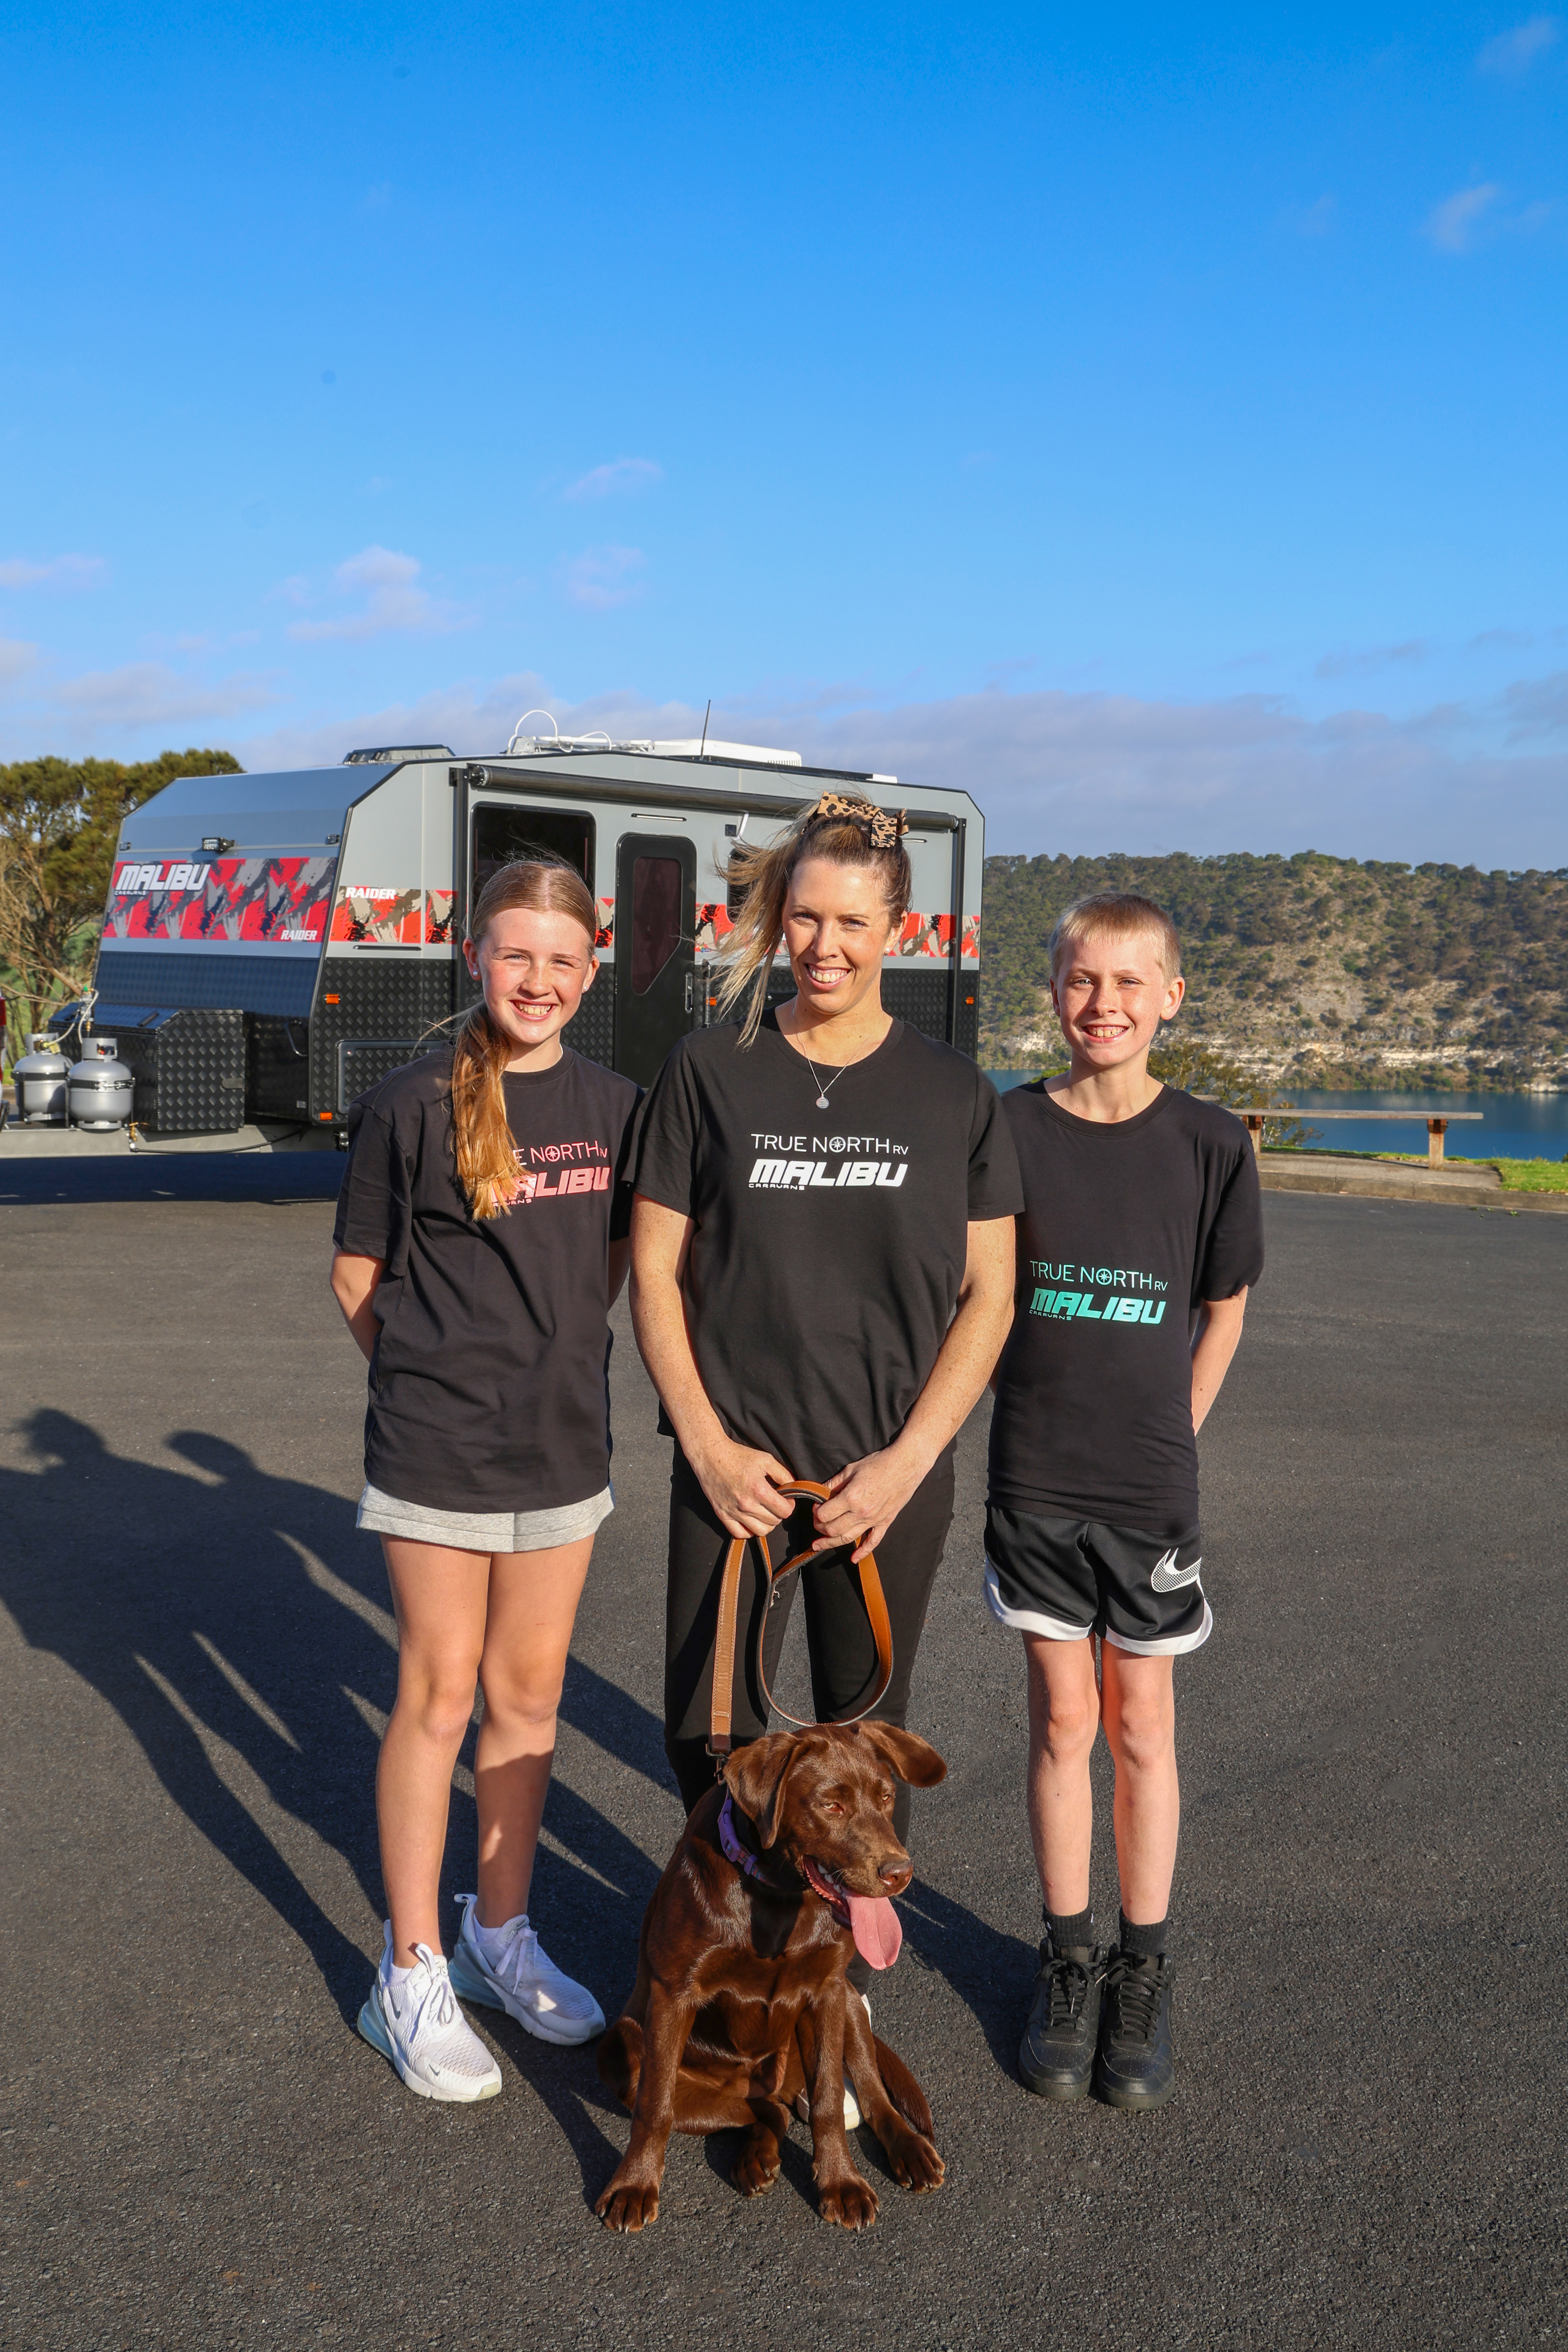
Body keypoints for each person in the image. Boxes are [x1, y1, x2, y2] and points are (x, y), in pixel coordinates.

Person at [630, 790, 1022, 2111]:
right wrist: (704, 1437)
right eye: (805, 915)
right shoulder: (711, 1064)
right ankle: (730, 1970)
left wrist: (909, 1461)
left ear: (896, 926)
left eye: (853, 921)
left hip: (882, 1486)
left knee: (863, 1754)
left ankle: (826, 1991)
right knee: (710, 1742)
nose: (826, 943)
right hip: (735, 1468)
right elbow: (655, 1266)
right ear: (776, 914)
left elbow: (992, 1295)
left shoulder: (952, 1089)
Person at [330, 856, 639, 2103]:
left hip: (564, 1452)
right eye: (517, 955)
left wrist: (539, 1370)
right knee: (439, 1693)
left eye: (563, 960)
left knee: (528, 1698)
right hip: (436, 1452)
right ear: (474, 956)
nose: (539, 980)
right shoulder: (409, 1104)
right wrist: (435, 1377)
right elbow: (359, 1280)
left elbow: (612, 1270)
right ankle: (407, 1969)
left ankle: (496, 1933)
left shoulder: (619, 1105)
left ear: (592, 969)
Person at [985, 889, 1263, 2110]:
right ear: (1055, 989)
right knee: (1061, 1722)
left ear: (1170, 997)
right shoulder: (1008, 1131)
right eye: (1083, 981)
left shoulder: (1210, 1143)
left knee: (1140, 1722)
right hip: (1034, 1480)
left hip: (1148, 1490)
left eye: (1128, 983)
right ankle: (1067, 1953)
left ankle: (1142, 1968)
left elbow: (1224, 1307)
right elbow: (967, 1291)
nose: (1104, 1004)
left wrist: (1176, 1435)